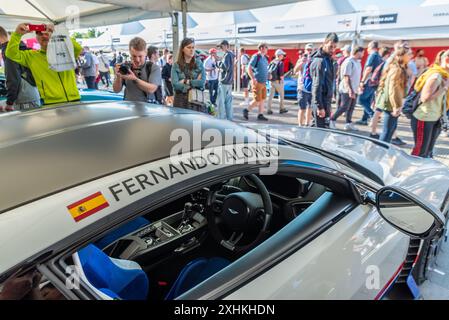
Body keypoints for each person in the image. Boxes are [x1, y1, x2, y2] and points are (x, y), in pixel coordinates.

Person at [6, 23, 82, 106]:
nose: (44, 36)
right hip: (50, 104)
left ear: (53, 35)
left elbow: (77, 48)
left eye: (47, 33)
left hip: (75, 100)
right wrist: (17, 34)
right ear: (37, 38)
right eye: (40, 34)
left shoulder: (66, 51)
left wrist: (59, 33)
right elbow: (11, 54)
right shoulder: (31, 56)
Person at [411, 50, 449, 158]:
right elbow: (425, 97)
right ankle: (412, 172)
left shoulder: (445, 75)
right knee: (420, 152)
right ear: (447, 60)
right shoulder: (436, 76)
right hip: (424, 117)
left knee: (428, 152)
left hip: (436, 117)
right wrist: (445, 88)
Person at [0, 25, 40, 112]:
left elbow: (13, 79)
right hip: (31, 94)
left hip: (24, 99)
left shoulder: (8, 51)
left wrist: (9, 103)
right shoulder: (20, 47)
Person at [375, 47, 410, 143]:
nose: (411, 56)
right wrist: (396, 106)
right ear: (402, 56)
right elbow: (393, 90)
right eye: (409, 54)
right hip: (391, 105)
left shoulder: (398, 68)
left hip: (391, 104)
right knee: (386, 134)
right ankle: (376, 156)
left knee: (388, 133)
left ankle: (380, 154)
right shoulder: (397, 70)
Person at [113, 37, 162, 103]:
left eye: (140, 56)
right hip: (129, 108)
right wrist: (118, 76)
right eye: (134, 56)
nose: (137, 60)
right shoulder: (126, 67)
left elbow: (151, 89)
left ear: (146, 53)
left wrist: (135, 79)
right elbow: (116, 90)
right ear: (130, 53)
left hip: (148, 109)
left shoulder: (153, 67)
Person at [330, 46, 364, 131]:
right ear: (357, 52)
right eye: (362, 52)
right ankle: (332, 120)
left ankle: (348, 123)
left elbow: (356, 76)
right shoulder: (349, 62)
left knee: (352, 107)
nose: (363, 54)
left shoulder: (357, 62)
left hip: (354, 88)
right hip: (346, 89)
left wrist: (359, 86)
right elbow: (346, 77)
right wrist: (350, 90)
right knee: (344, 107)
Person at [310, 33, 339, 128]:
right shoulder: (320, 61)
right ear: (324, 43)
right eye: (331, 46)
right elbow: (316, 86)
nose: (333, 50)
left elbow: (329, 82)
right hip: (320, 102)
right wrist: (320, 107)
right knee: (318, 134)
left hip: (326, 102)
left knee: (321, 131)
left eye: (335, 47)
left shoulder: (329, 59)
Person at [171, 38, 206, 109]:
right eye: (189, 47)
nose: (191, 50)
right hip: (180, 102)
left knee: (196, 120)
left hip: (196, 101)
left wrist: (185, 81)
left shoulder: (199, 64)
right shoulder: (176, 65)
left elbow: (202, 82)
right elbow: (175, 85)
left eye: (193, 47)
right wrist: (194, 83)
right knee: (181, 120)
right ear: (183, 49)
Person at [356, 41, 383, 126]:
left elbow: (368, 69)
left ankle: (373, 115)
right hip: (375, 82)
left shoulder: (372, 55)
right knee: (367, 100)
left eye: (368, 47)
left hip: (369, 81)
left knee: (361, 99)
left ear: (371, 47)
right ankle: (364, 119)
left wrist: (362, 81)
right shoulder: (379, 56)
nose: (367, 49)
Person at [369, 47, 392, 139]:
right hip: (382, 91)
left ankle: (373, 131)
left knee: (378, 111)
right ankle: (373, 132)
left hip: (380, 90)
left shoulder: (382, 63)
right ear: (387, 55)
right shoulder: (386, 64)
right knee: (378, 111)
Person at [244, 43, 269, 121]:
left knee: (263, 99)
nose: (267, 49)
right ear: (261, 48)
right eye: (266, 47)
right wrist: (253, 78)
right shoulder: (256, 57)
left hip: (264, 82)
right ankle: (246, 110)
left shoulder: (265, 58)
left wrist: (268, 75)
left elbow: (265, 69)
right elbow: (249, 68)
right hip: (257, 82)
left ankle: (260, 114)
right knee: (257, 100)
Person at [295, 43, 314, 126]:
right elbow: (295, 71)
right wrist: (302, 62)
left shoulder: (314, 60)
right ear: (305, 50)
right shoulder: (301, 59)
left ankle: (307, 123)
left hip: (312, 87)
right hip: (302, 87)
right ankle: (300, 125)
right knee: (302, 108)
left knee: (310, 107)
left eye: (311, 50)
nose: (309, 51)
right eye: (308, 50)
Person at [216, 40, 235, 120]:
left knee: (221, 101)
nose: (220, 48)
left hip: (224, 81)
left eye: (221, 46)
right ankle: (229, 118)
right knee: (228, 102)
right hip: (229, 81)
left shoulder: (227, 55)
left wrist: (218, 62)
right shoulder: (231, 55)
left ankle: (221, 119)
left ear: (226, 46)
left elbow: (225, 67)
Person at [267, 49, 287, 114]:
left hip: (271, 81)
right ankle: (282, 108)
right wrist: (282, 81)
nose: (283, 56)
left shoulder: (272, 62)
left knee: (270, 96)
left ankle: (268, 109)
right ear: (279, 55)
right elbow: (281, 74)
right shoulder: (280, 63)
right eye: (282, 55)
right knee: (281, 95)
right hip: (277, 81)